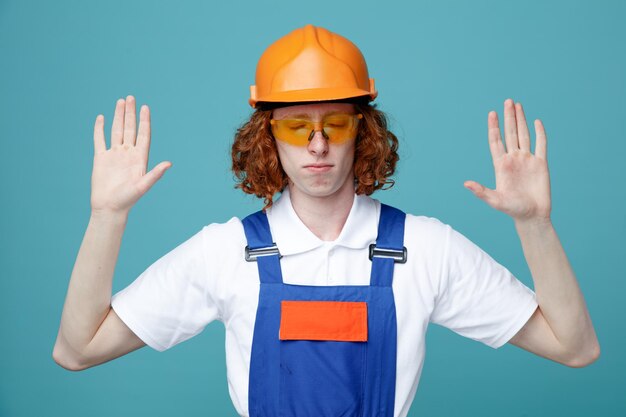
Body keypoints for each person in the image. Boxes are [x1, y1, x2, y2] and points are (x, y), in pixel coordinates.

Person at [53, 24, 600, 417]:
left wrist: (535, 224)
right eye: (296, 127)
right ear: (267, 138)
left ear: (364, 131)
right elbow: (77, 350)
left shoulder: (425, 248)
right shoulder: (224, 252)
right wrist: (107, 216)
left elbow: (574, 348)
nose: (317, 145)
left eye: (335, 123)